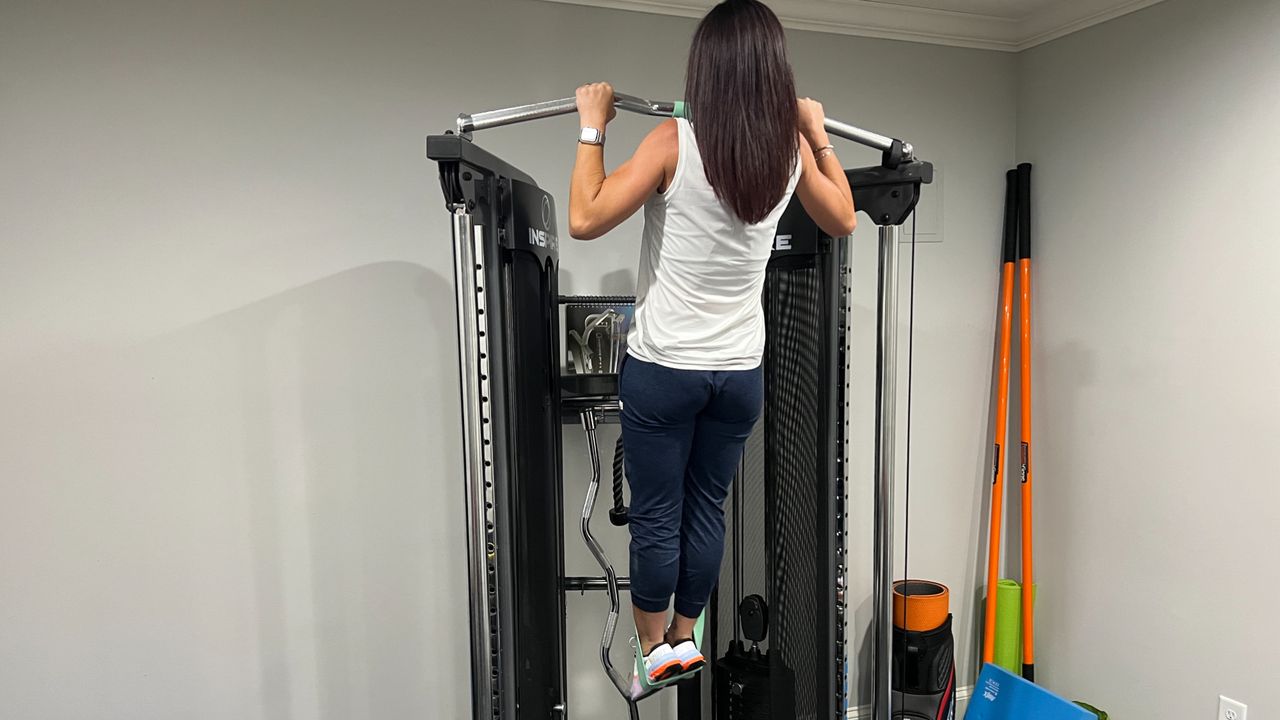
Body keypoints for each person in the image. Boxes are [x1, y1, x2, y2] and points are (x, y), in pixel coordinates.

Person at [568, 0, 856, 686]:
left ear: (708, 73)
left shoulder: (675, 142)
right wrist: (817, 134)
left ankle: (653, 651)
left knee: (658, 513)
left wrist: (591, 127)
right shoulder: (785, 155)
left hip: (666, 368)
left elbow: (584, 217)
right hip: (738, 376)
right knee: (706, 506)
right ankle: (686, 634)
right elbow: (844, 217)